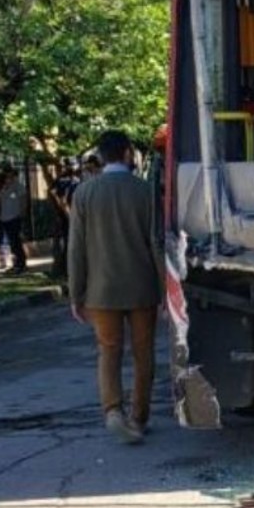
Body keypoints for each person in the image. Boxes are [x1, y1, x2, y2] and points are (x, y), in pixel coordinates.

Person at [69, 131, 163, 445]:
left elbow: (76, 249)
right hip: (142, 288)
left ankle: (112, 411)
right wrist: (166, 290)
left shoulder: (84, 193)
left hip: (101, 292)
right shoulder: (146, 192)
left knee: (108, 352)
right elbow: (157, 245)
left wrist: (76, 293)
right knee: (143, 354)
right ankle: (138, 418)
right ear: (126, 154)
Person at [0, 166, 27, 274]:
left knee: (16, 241)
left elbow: (23, 199)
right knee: (12, 242)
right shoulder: (5, 186)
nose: (7, 176)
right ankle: (16, 263)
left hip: (14, 216)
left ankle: (21, 264)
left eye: (9, 174)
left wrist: (22, 213)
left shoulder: (18, 186)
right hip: (5, 217)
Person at [50, 160, 79, 278]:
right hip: (67, 216)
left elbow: (53, 194)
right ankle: (65, 270)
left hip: (64, 215)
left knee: (64, 243)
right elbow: (61, 199)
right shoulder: (70, 182)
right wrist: (65, 211)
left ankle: (62, 269)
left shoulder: (64, 181)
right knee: (67, 243)